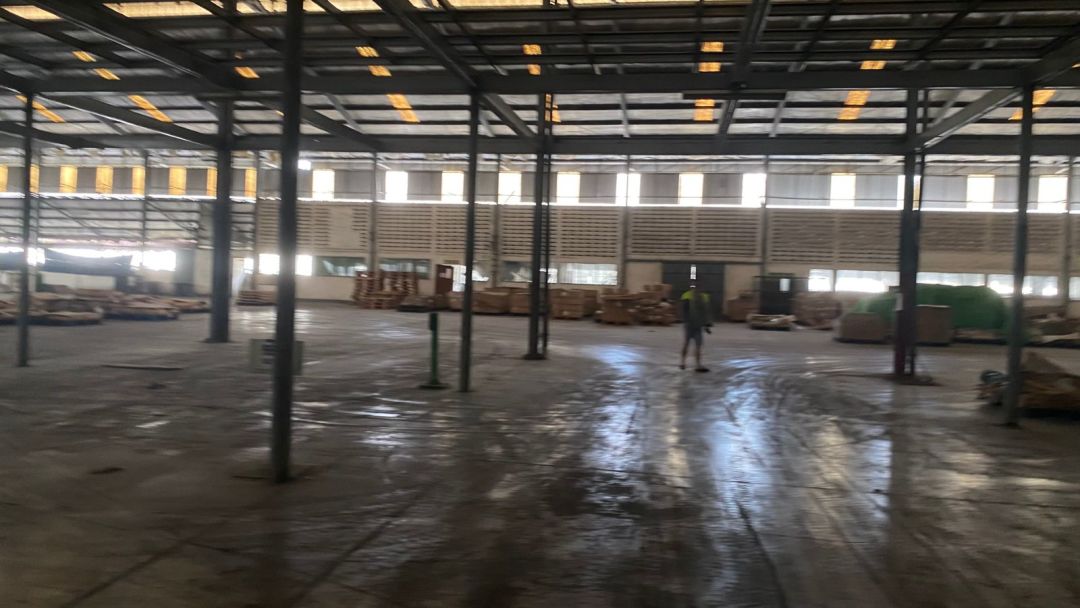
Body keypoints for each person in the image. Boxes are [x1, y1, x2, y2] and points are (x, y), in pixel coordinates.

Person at [679, 284, 712, 372]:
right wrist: (707, 325)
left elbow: (684, 311)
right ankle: (697, 365)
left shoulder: (686, 295)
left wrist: (685, 321)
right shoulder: (703, 297)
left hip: (691, 325)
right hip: (695, 325)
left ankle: (683, 363)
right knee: (697, 345)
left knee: (688, 344)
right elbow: (705, 312)